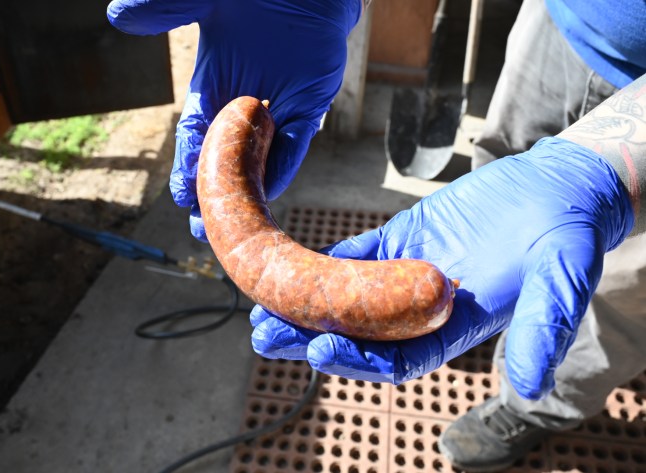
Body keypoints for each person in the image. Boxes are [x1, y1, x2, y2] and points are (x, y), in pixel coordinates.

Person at [106, 0, 646, 471]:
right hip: (565, 20)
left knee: (617, 290)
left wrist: (615, 165)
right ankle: (489, 327)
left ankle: (538, 410)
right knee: (500, 174)